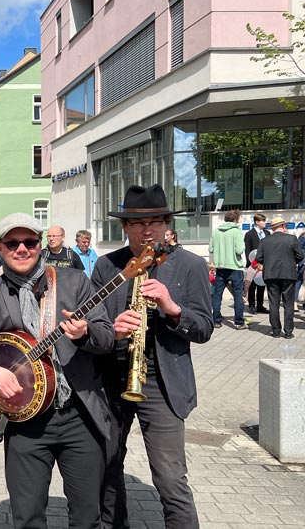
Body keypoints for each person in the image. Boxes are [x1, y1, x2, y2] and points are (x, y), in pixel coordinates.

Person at [0, 212, 115, 529]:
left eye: (30, 241)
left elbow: (106, 337)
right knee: (27, 519)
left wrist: (84, 335)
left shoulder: (74, 282)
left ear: (41, 245)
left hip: (78, 416)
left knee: (87, 518)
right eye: (13, 243)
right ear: (0, 248)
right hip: (25, 424)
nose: (22, 248)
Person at [93, 184, 213, 529]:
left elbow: (204, 329)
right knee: (106, 468)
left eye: (156, 222)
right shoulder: (107, 266)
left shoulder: (188, 265)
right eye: (137, 223)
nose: (148, 230)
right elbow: (93, 323)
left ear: (166, 225)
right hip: (113, 377)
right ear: (125, 227)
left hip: (162, 383)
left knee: (171, 479)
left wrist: (172, 309)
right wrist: (111, 329)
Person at [256, 217, 303, 338]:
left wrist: (269, 262)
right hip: (288, 274)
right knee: (288, 304)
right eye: (285, 226)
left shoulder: (265, 241)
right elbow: (300, 255)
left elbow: (258, 258)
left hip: (271, 275)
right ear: (282, 226)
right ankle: (288, 332)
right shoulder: (291, 239)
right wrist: (292, 263)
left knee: (274, 304)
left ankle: (276, 331)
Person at [209, 209, 247, 329]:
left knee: (217, 295)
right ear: (235, 219)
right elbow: (239, 250)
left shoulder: (216, 231)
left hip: (220, 267)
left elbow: (211, 249)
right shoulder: (236, 231)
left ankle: (216, 320)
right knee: (237, 296)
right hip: (235, 267)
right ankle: (239, 322)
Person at [244, 213, 271, 314]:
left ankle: (260, 305)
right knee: (252, 285)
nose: (265, 223)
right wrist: (253, 263)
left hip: (264, 265)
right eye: (263, 221)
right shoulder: (249, 234)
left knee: (261, 284)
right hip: (253, 264)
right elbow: (248, 251)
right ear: (257, 222)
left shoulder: (267, 233)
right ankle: (251, 305)